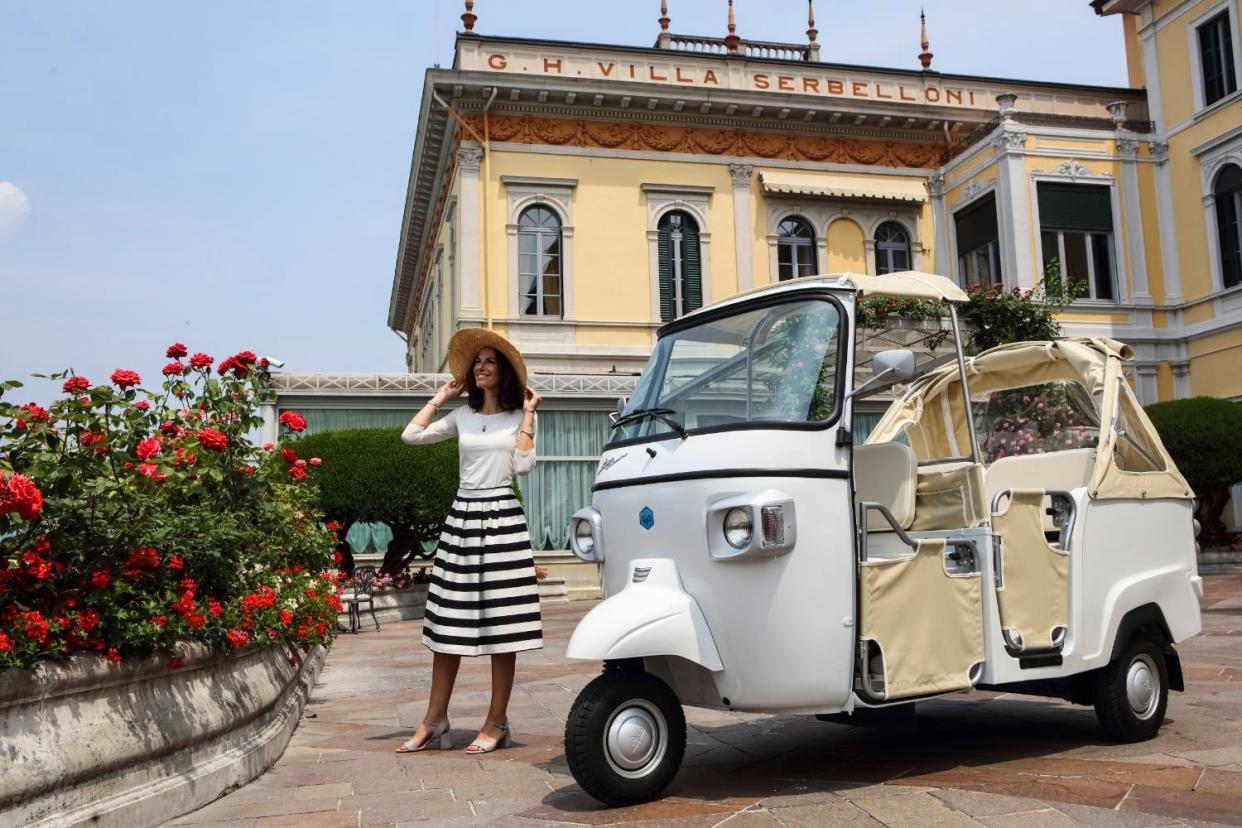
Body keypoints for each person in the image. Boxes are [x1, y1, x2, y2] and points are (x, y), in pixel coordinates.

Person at [396, 328, 543, 754]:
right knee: (448, 624)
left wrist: (530, 414)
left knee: (505, 625)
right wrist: (440, 397)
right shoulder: (461, 417)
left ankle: (496, 722)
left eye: (489, 361)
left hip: (503, 521)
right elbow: (411, 436)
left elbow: (523, 466)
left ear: (504, 372)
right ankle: (434, 720)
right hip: (461, 519)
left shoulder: (518, 417)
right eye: (476, 361)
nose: (480, 366)